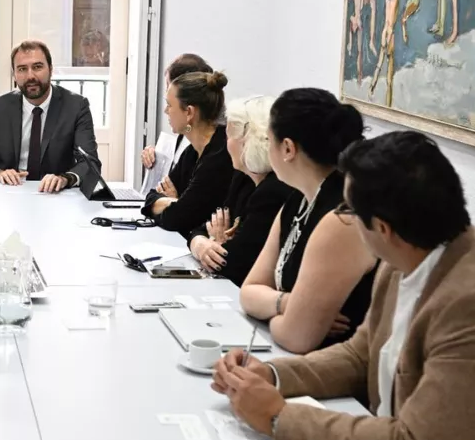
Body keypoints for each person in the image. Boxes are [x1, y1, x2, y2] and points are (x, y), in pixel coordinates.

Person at [214, 132, 475, 440]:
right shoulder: (408, 255)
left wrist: (279, 417)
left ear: (382, 228)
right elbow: (362, 355)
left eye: (349, 210)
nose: (345, 220)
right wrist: (273, 375)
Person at [238, 89, 377, 353]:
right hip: (301, 357)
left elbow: (297, 337)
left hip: (341, 373)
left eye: (269, 140)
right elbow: (248, 291)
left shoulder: (343, 217)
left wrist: (279, 311)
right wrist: (287, 304)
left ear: (288, 148)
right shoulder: (296, 201)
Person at [187, 96, 292, 287]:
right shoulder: (242, 179)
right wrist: (200, 244)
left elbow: (233, 264)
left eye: (229, 137)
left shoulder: (272, 191)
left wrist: (218, 244)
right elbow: (202, 228)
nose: (226, 144)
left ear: (248, 141)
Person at [0, 40, 99, 194]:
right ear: (14, 75)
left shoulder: (76, 106)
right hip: (11, 193)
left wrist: (66, 178)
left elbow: (90, 164)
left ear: (50, 70)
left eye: (37, 67)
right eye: (22, 69)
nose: (30, 76)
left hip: (56, 195)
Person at [140, 71, 234, 238]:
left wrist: (176, 204)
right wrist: (176, 202)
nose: (165, 110)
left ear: (189, 112)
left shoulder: (219, 155)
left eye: (169, 105)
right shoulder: (192, 151)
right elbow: (151, 197)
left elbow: (177, 219)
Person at [139, 53, 215, 170]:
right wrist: (157, 158)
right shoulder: (186, 137)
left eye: (168, 88)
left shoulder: (209, 149)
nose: (166, 110)